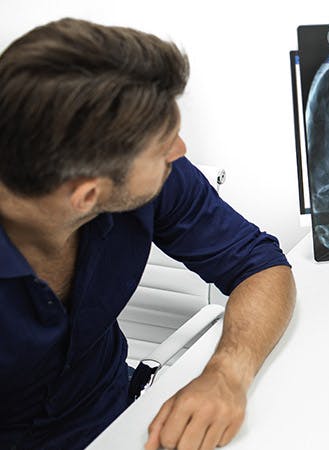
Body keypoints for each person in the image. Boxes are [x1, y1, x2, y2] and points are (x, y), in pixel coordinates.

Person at [0, 18, 296, 450]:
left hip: (124, 418)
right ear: (86, 195)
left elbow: (260, 264)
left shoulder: (155, 182)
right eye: (163, 147)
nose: (180, 150)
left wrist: (226, 374)